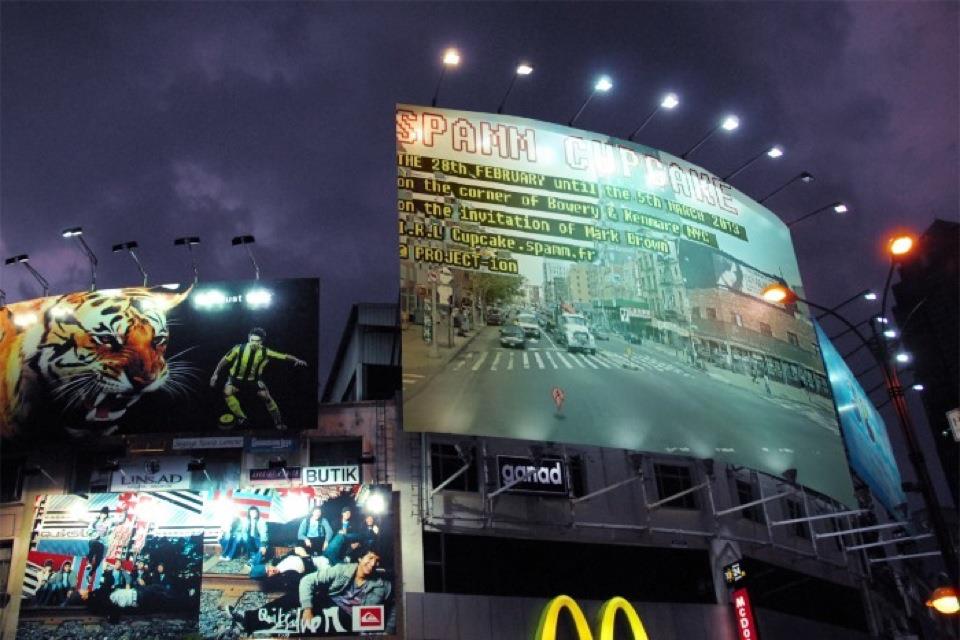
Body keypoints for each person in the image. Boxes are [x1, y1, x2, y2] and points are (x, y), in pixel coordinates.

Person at [209, 327, 307, 430]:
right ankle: (242, 417)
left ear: (261, 341)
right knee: (227, 392)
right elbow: (224, 360)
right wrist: (215, 374)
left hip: (254, 380)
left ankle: (278, 423)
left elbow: (283, 356)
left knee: (266, 397)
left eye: (257, 341)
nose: (254, 343)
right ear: (249, 338)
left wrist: (296, 359)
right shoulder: (239, 348)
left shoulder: (265, 351)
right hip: (235, 379)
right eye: (252, 340)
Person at [299, 551, 392, 632]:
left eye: (377, 561)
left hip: (351, 621)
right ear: (360, 558)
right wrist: (307, 609)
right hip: (329, 607)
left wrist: (388, 632)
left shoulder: (383, 585)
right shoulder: (342, 569)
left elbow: (394, 608)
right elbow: (307, 580)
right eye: (370, 558)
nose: (373, 563)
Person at [84, 506, 114, 589]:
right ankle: (89, 562)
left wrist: (108, 532)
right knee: (95, 544)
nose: (103, 516)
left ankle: (90, 574)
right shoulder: (95, 521)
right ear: (100, 514)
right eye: (102, 514)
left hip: (102, 543)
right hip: (93, 541)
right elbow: (88, 531)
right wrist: (94, 534)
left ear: (107, 515)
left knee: (98, 560)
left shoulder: (109, 522)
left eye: (105, 514)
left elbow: (117, 524)